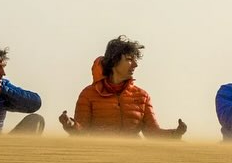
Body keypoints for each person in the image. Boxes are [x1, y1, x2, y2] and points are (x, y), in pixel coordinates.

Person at [58, 35, 187, 138]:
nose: (135, 65)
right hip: (98, 156)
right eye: (129, 59)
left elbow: (152, 133)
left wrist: (175, 134)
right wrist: (71, 125)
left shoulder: (142, 96)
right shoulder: (89, 94)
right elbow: (83, 134)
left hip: (133, 157)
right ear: (114, 61)